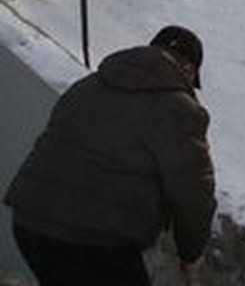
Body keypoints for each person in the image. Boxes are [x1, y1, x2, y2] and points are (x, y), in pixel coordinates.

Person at [5, 25, 215, 286]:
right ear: (188, 69)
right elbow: (193, 196)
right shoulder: (180, 111)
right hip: (94, 241)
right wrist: (191, 256)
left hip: (30, 225)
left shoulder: (86, 86)